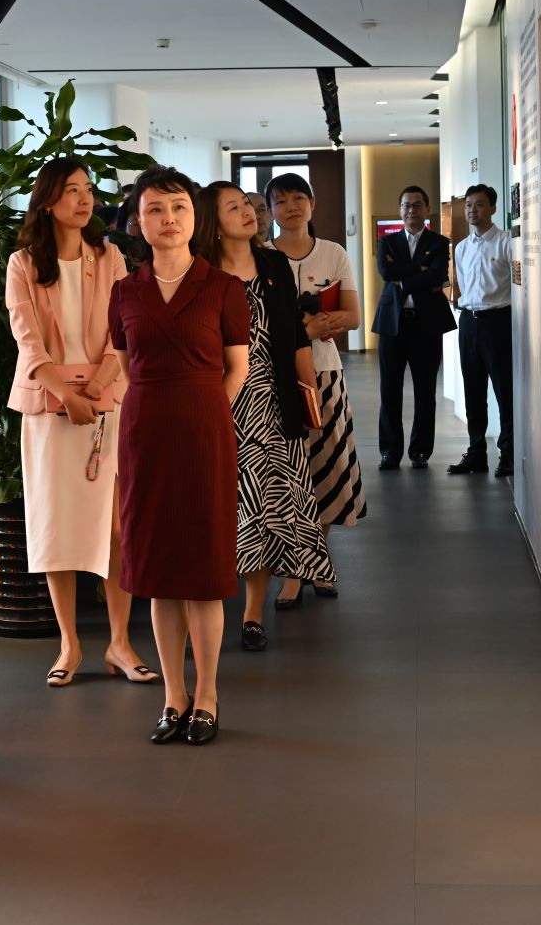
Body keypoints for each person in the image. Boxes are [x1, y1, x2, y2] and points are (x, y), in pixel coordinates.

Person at [109, 166, 249, 745]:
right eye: (155, 209)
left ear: (195, 218)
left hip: (205, 431)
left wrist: (205, 410)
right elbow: (127, 366)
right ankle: (174, 695)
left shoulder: (223, 287)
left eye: (179, 208)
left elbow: (237, 368)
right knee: (159, 570)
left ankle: (208, 694)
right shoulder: (125, 291)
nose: (168, 219)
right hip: (144, 433)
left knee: (203, 570)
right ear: (138, 223)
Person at [6, 158, 157, 687]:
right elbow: (27, 340)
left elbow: (125, 331)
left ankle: (119, 643)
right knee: (57, 525)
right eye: (71, 190)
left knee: (116, 526)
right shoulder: (23, 263)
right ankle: (69, 644)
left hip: (106, 400)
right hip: (49, 407)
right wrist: (64, 393)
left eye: (88, 189)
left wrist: (95, 387)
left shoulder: (109, 256)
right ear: (47, 201)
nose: (84, 198)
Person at [193, 182, 331, 652]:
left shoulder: (272, 264)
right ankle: (205, 610)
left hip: (273, 402)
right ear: (213, 223)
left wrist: (309, 390)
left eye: (248, 205)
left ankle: (252, 614)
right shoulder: (200, 272)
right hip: (218, 401)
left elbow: (294, 334)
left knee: (267, 507)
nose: (248, 212)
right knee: (218, 507)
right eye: (234, 207)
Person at [267, 172, 365, 602]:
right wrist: (309, 328)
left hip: (325, 374)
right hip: (273, 378)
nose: (291, 207)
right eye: (281, 200)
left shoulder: (333, 253)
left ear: (313, 203)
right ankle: (292, 570)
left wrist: (312, 326)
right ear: (271, 210)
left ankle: (318, 561)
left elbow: (353, 316)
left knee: (327, 468)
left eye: (298, 198)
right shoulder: (262, 256)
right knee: (287, 473)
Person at [372, 185, 455, 469]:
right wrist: (420, 269)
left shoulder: (439, 242)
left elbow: (437, 275)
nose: (411, 210)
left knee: (425, 392)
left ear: (426, 209)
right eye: (406, 205)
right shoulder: (387, 241)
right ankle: (389, 452)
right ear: (400, 210)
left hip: (426, 325)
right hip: (392, 324)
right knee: (389, 391)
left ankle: (420, 451)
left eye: (417, 205)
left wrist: (405, 278)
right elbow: (386, 272)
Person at [449, 183, 517, 478]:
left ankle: (508, 454)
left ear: (492, 209)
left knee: (504, 391)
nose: (472, 210)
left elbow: (517, 284)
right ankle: (476, 452)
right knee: (473, 392)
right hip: (468, 322)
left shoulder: (506, 243)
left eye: (478, 204)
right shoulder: (461, 248)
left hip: (497, 322)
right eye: (468, 205)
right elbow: (463, 286)